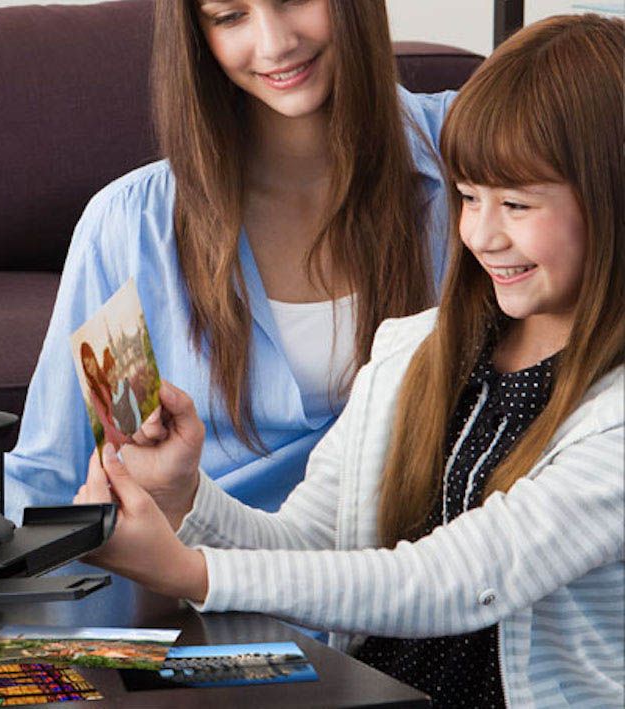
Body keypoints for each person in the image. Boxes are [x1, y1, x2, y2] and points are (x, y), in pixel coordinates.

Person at [75, 14, 624, 708]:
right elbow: (309, 538)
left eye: (516, 203)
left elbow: (452, 579)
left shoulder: (614, 420)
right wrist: (187, 495)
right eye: (468, 197)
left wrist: (193, 573)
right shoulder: (415, 351)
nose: (481, 235)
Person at [4, 0, 456, 520]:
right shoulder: (131, 230)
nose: (274, 43)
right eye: (229, 17)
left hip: (419, 577)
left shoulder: (471, 153)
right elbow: (57, 478)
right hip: (199, 584)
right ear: (198, 36)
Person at [79, 342, 129, 449]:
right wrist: (125, 439)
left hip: (124, 427)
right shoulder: (93, 394)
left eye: (89, 363)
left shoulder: (105, 375)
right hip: (114, 440)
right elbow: (106, 425)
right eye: (86, 367)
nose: (89, 369)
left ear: (93, 358)